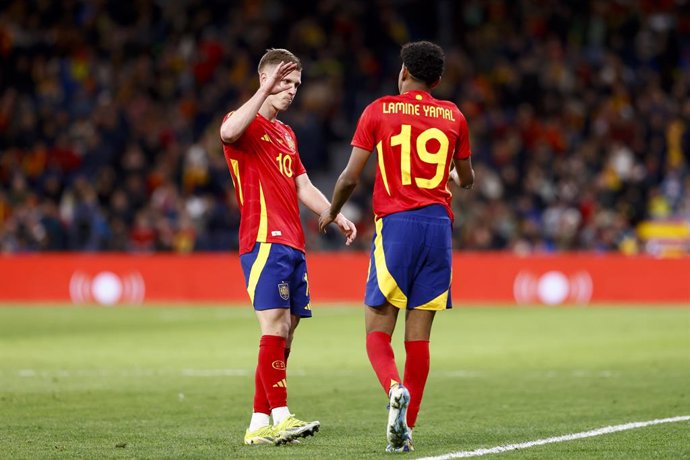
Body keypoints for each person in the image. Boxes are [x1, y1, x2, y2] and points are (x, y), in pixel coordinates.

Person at [319, 40, 474, 452]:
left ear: (403, 72)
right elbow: (467, 178)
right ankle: (408, 431)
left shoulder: (379, 109)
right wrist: (455, 178)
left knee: (376, 329)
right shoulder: (454, 116)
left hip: (398, 226)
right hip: (438, 229)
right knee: (419, 338)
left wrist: (332, 211)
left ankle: (393, 389)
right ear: (437, 80)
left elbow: (350, 177)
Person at [220, 48, 357, 446]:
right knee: (275, 325)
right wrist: (264, 89)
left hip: (294, 242)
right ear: (264, 79)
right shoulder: (240, 123)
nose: (292, 90)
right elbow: (227, 135)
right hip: (263, 239)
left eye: (296, 84)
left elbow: (303, 186)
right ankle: (281, 415)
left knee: (288, 333)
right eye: (285, 81)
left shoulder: (286, 134)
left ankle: (259, 422)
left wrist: (334, 212)